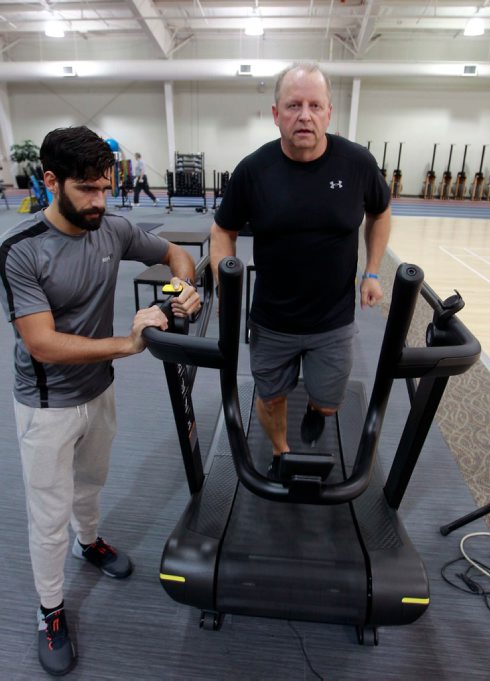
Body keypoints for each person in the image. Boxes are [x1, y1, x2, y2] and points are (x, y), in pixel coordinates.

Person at [0, 126, 200, 676]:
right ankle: (50, 610)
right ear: (50, 182)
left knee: (91, 484)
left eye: (105, 188)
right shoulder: (20, 251)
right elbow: (40, 342)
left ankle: (89, 543)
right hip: (46, 405)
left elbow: (177, 255)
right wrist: (127, 343)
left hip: (99, 390)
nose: (100, 201)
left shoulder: (110, 228)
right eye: (87, 189)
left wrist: (182, 286)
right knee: (47, 514)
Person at [210, 62, 391, 482]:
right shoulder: (254, 171)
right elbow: (223, 229)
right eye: (293, 105)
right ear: (276, 114)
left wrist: (374, 271)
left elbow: (380, 213)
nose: (304, 115)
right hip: (272, 320)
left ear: (329, 113)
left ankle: (316, 410)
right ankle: (281, 451)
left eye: (314, 105)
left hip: (334, 319)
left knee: (329, 400)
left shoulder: (357, 163)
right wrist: (225, 286)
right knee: (271, 398)